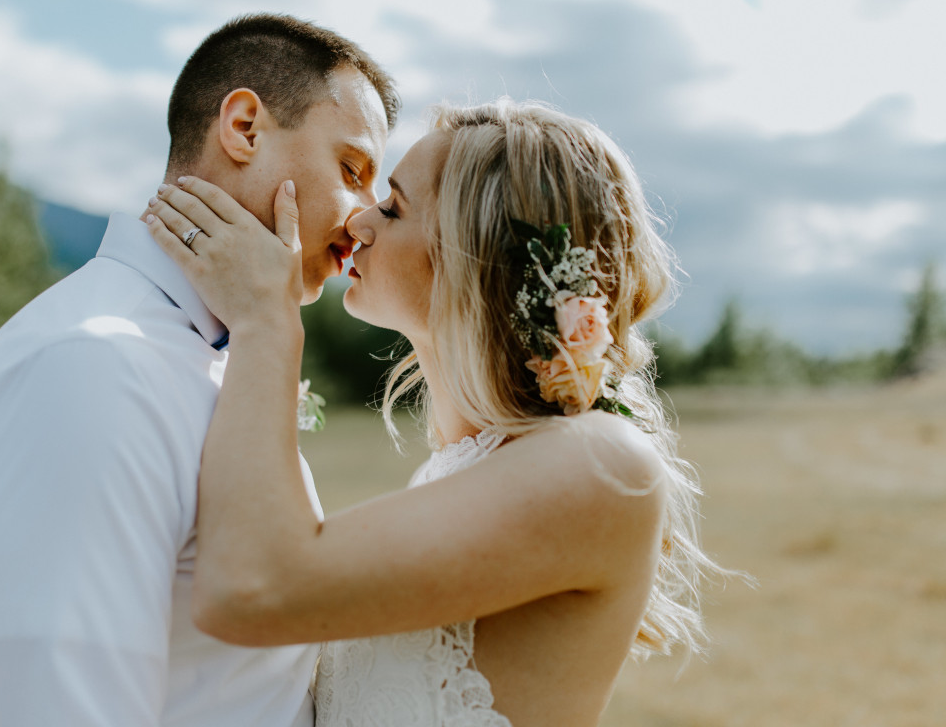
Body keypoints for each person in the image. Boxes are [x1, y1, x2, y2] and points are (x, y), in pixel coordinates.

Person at [145, 99, 725, 726]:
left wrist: (266, 324)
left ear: (477, 256)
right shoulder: (465, 466)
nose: (360, 221)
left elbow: (250, 592)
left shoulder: (601, 464)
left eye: (393, 208)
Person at [0, 13, 398, 726]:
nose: (362, 220)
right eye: (352, 170)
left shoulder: (232, 354)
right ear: (243, 128)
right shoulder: (90, 368)